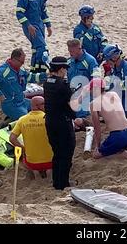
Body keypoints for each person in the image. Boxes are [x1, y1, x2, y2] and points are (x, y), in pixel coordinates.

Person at [0, 48, 47, 121]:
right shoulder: (4, 71)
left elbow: (29, 77)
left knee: (43, 106)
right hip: (11, 105)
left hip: (22, 101)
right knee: (27, 120)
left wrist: (44, 76)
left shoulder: (20, 70)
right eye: (21, 62)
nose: (22, 64)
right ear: (14, 59)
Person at [44, 56, 76, 190]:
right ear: (61, 69)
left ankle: (56, 182)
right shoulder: (63, 85)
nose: (66, 72)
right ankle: (63, 183)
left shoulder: (47, 82)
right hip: (63, 122)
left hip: (50, 121)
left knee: (57, 152)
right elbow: (73, 105)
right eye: (65, 69)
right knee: (66, 153)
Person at [88, 79, 127, 160]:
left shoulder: (94, 103)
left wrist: (98, 146)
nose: (90, 92)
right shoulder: (114, 94)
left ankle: (122, 154)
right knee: (113, 142)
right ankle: (123, 149)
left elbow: (97, 128)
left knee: (96, 155)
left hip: (118, 137)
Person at [16, 0, 52, 73]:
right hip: (30, 26)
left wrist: (48, 25)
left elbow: (43, 12)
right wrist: (28, 25)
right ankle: (41, 72)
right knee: (42, 48)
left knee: (36, 49)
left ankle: (33, 72)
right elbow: (19, 13)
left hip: (40, 25)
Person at [9, 96, 53, 179]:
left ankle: (35, 171)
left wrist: (22, 148)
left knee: (27, 158)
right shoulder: (49, 118)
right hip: (50, 161)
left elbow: (12, 138)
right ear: (39, 106)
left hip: (32, 163)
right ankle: (49, 171)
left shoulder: (22, 120)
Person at [67, 38, 101, 118]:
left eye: (72, 51)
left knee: (81, 116)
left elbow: (96, 79)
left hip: (86, 95)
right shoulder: (70, 61)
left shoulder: (91, 61)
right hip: (72, 93)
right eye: (69, 51)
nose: (70, 54)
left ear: (79, 48)